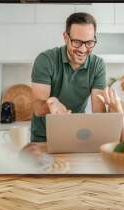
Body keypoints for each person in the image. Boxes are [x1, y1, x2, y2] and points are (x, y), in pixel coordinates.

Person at [31, 12, 106, 142]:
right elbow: (37, 108)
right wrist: (51, 104)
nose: (83, 49)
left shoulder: (97, 65)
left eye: (89, 42)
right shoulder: (46, 60)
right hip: (44, 137)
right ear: (65, 37)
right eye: (76, 42)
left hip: (76, 136)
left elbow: (98, 112)